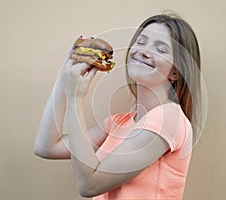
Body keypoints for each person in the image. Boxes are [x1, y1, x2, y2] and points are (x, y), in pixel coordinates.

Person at [34, 12, 202, 200]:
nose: (144, 51)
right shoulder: (118, 123)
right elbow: (46, 147)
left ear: (176, 73)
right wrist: (65, 74)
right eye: (141, 41)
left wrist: (75, 97)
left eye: (161, 49)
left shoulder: (169, 119)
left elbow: (88, 185)